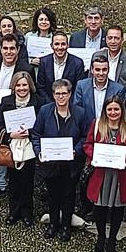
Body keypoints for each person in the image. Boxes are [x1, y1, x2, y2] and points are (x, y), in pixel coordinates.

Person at [83, 95, 126, 252]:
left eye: (116, 109)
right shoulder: (97, 125)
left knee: (117, 207)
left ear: (121, 110)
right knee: (99, 206)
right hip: (102, 173)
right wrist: (95, 155)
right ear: (105, 110)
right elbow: (88, 145)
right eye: (110, 109)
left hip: (121, 175)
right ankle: (101, 236)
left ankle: (112, 238)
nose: (113, 112)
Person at [34, 78, 87, 241]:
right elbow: (36, 134)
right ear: (53, 95)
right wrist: (39, 152)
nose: (61, 97)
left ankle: (66, 226)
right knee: (52, 194)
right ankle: (53, 224)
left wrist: (76, 151)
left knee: (69, 195)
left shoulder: (80, 113)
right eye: (58, 94)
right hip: (50, 163)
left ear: (70, 94)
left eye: (64, 93)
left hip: (71, 164)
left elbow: (85, 137)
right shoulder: (44, 111)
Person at [0, 33, 31, 195]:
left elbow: (31, 90)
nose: (8, 52)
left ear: (18, 50)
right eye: (5, 48)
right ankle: (0, 183)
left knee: (17, 147)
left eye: (12, 48)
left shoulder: (26, 68)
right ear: (0, 50)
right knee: (0, 147)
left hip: (17, 113)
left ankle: (16, 181)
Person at [0, 71, 40, 227]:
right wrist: (10, 134)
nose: (21, 88)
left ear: (30, 85)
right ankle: (13, 212)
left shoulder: (39, 102)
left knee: (27, 181)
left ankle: (27, 213)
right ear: (13, 86)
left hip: (29, 146)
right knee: (13, 181)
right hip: (12, 146)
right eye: (18, 85)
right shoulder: (6, 101)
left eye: (24, 85)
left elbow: (43, 124)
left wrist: (30, 133)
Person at [72, 51, 125, 121]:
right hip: (86, 128)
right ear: (92, 70)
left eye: (104, 70)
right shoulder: (81, 86)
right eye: (97, 70)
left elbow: (120, 113)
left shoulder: (118, 89)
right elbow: (77, 111)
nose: (101, 73)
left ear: (108, 69)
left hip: (108, 127)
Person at [34, 30, 85, 98]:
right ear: (51, 45)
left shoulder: (77, 63)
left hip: (69, 105)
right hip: (48, 104)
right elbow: (41, 88)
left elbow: (78, 89)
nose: (60, 47)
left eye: (63, 44)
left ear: (68, 45)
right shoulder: (44, 62)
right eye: (57, 44)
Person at [103, 25, 126, 95]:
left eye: (117, 38)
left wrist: (119, 103)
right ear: (106, 39)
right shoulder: (97, 56)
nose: (113, 41)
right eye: (110, 38)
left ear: (122, 40)